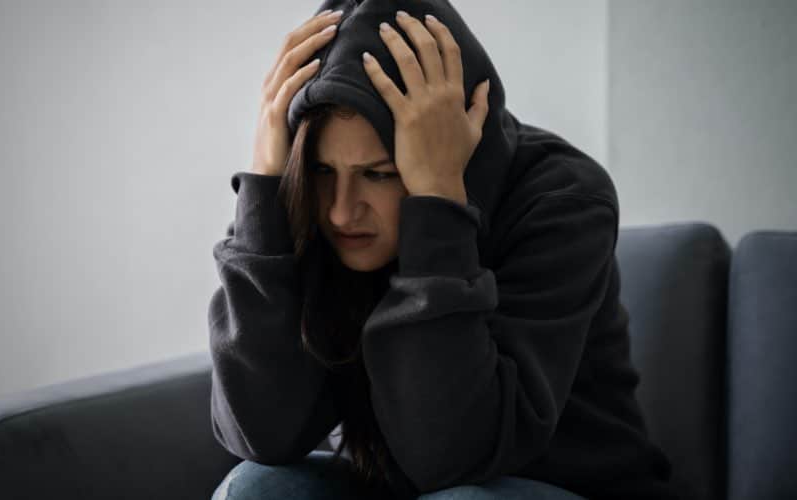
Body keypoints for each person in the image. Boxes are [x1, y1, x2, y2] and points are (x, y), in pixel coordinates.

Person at [208, 1, 681, 499]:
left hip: (556, 486)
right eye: (323, 171)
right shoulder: (308, 203)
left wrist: (437, 201)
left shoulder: (565, 200)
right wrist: (267, 190)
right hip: (399, 487)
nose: (342, 212)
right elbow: (259, 436)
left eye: (380, 173)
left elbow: (451, 457)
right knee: (255, 488)